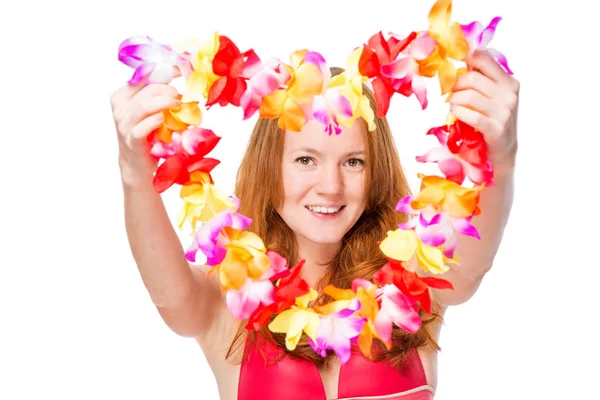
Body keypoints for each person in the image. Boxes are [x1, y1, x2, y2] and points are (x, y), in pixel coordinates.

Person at [110, 49, 519, 399]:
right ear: (271, 166)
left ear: (374, 171)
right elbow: (170, 298)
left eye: (353, 161)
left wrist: (500, 158)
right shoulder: (226, 298)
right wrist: (134, 172)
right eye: (306, 159)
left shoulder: (412, 285)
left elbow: (469, 268)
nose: (331, 186)